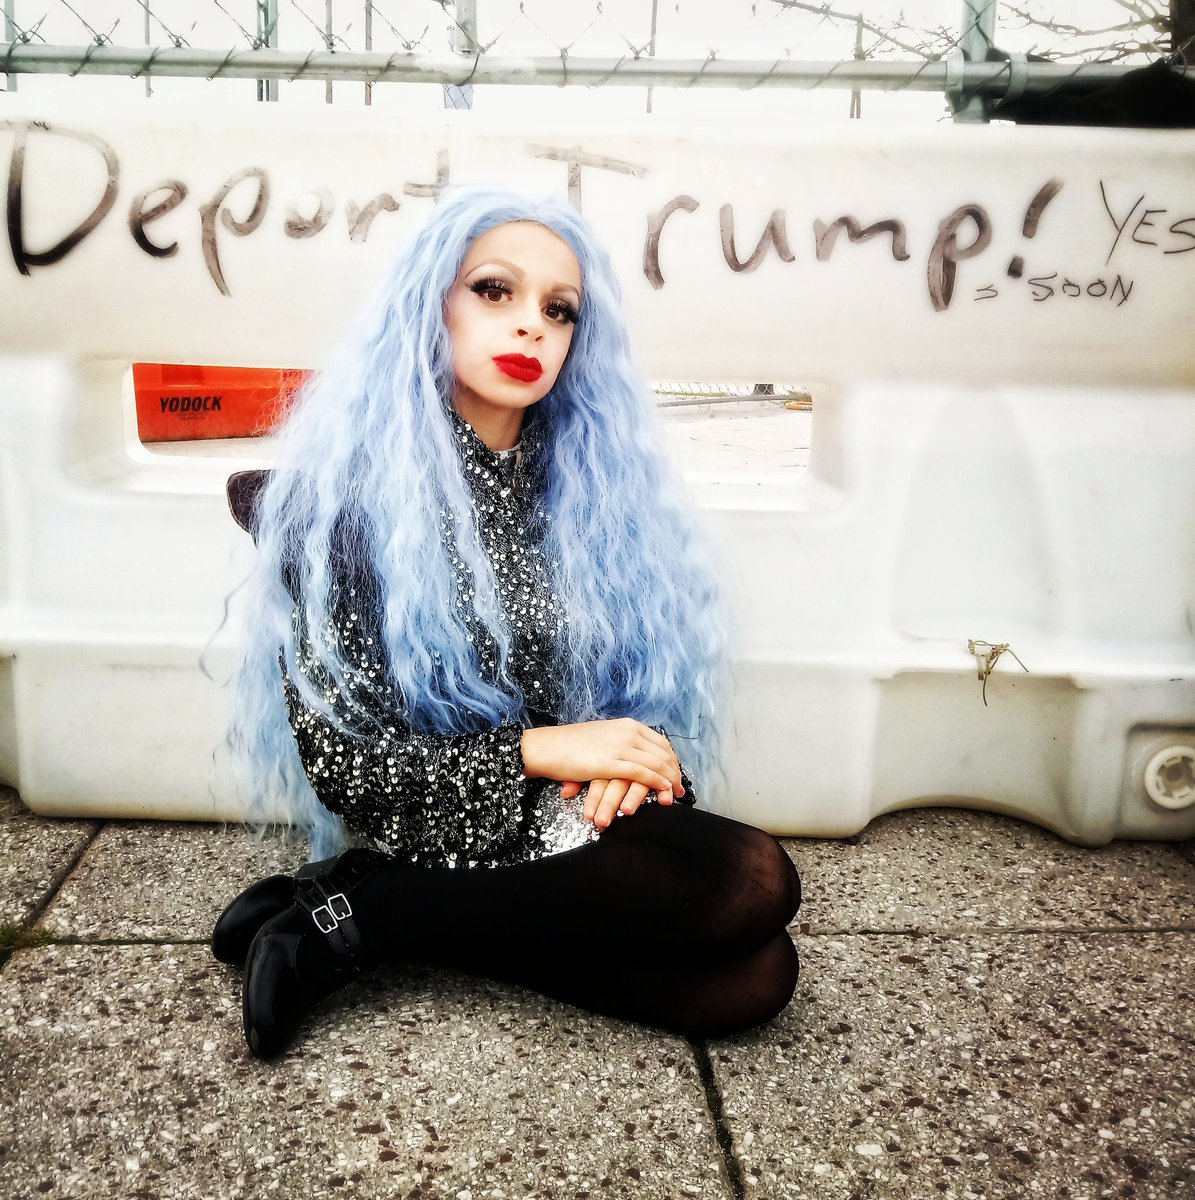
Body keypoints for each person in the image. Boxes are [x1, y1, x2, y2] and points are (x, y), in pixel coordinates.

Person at [213, 187, 801, 1059]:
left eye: (559, 310)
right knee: (747, 878)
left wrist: (630, 762)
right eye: (494, 290)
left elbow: (630, 697)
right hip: (430, 814)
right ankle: (371, 910)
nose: (531, 325)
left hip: (554, 818)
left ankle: (371, 905)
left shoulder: (597, 491)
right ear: (430, 306)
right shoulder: (336, 508)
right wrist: (543, 748)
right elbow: (346, 767)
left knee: (756, 978)